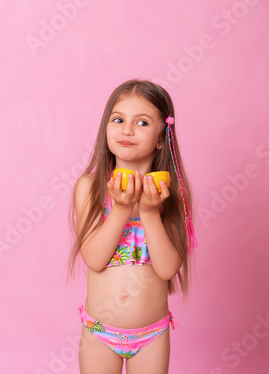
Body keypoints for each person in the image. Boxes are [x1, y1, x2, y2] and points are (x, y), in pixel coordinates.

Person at [68, 79, 197, 374]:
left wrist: (150, 212)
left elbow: (166, 269)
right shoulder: (89, 187)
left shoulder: (170, 193)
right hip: (100, 333)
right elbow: (94, 258)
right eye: (118, 120)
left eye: (141, 122)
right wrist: (122, 208)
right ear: (106, 128)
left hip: (151, 335)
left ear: (162, 137)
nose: (127, 130)